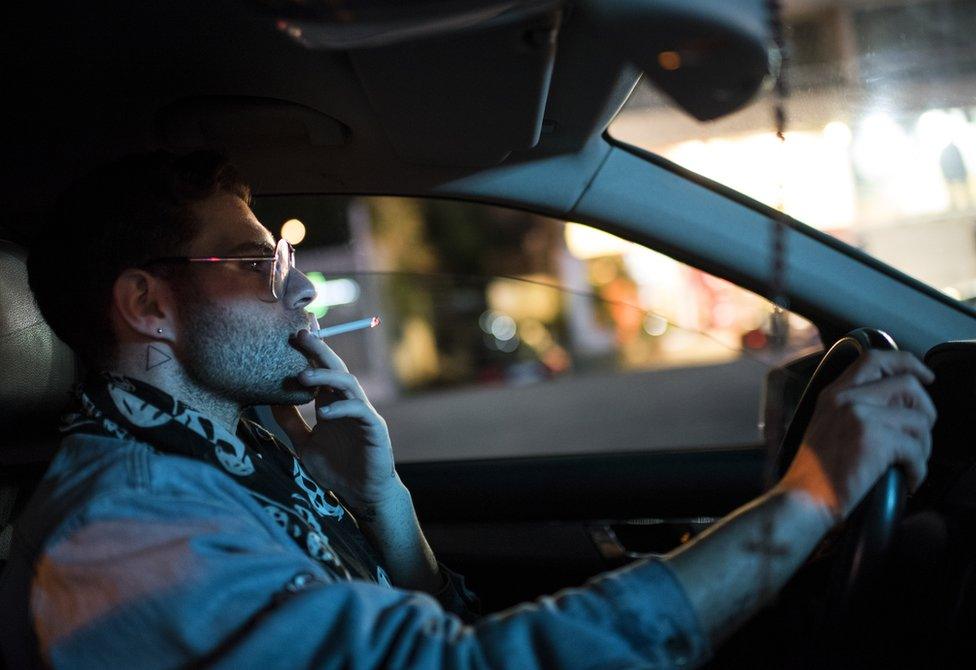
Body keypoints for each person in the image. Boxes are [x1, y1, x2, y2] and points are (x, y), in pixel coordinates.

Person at [0, 151, 937, 669]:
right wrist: (810, 495)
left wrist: (385, 507)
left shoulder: (233, 453)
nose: (299, 298)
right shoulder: (123, 529)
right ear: (147, 305)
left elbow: (418, 633)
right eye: (257, 267)